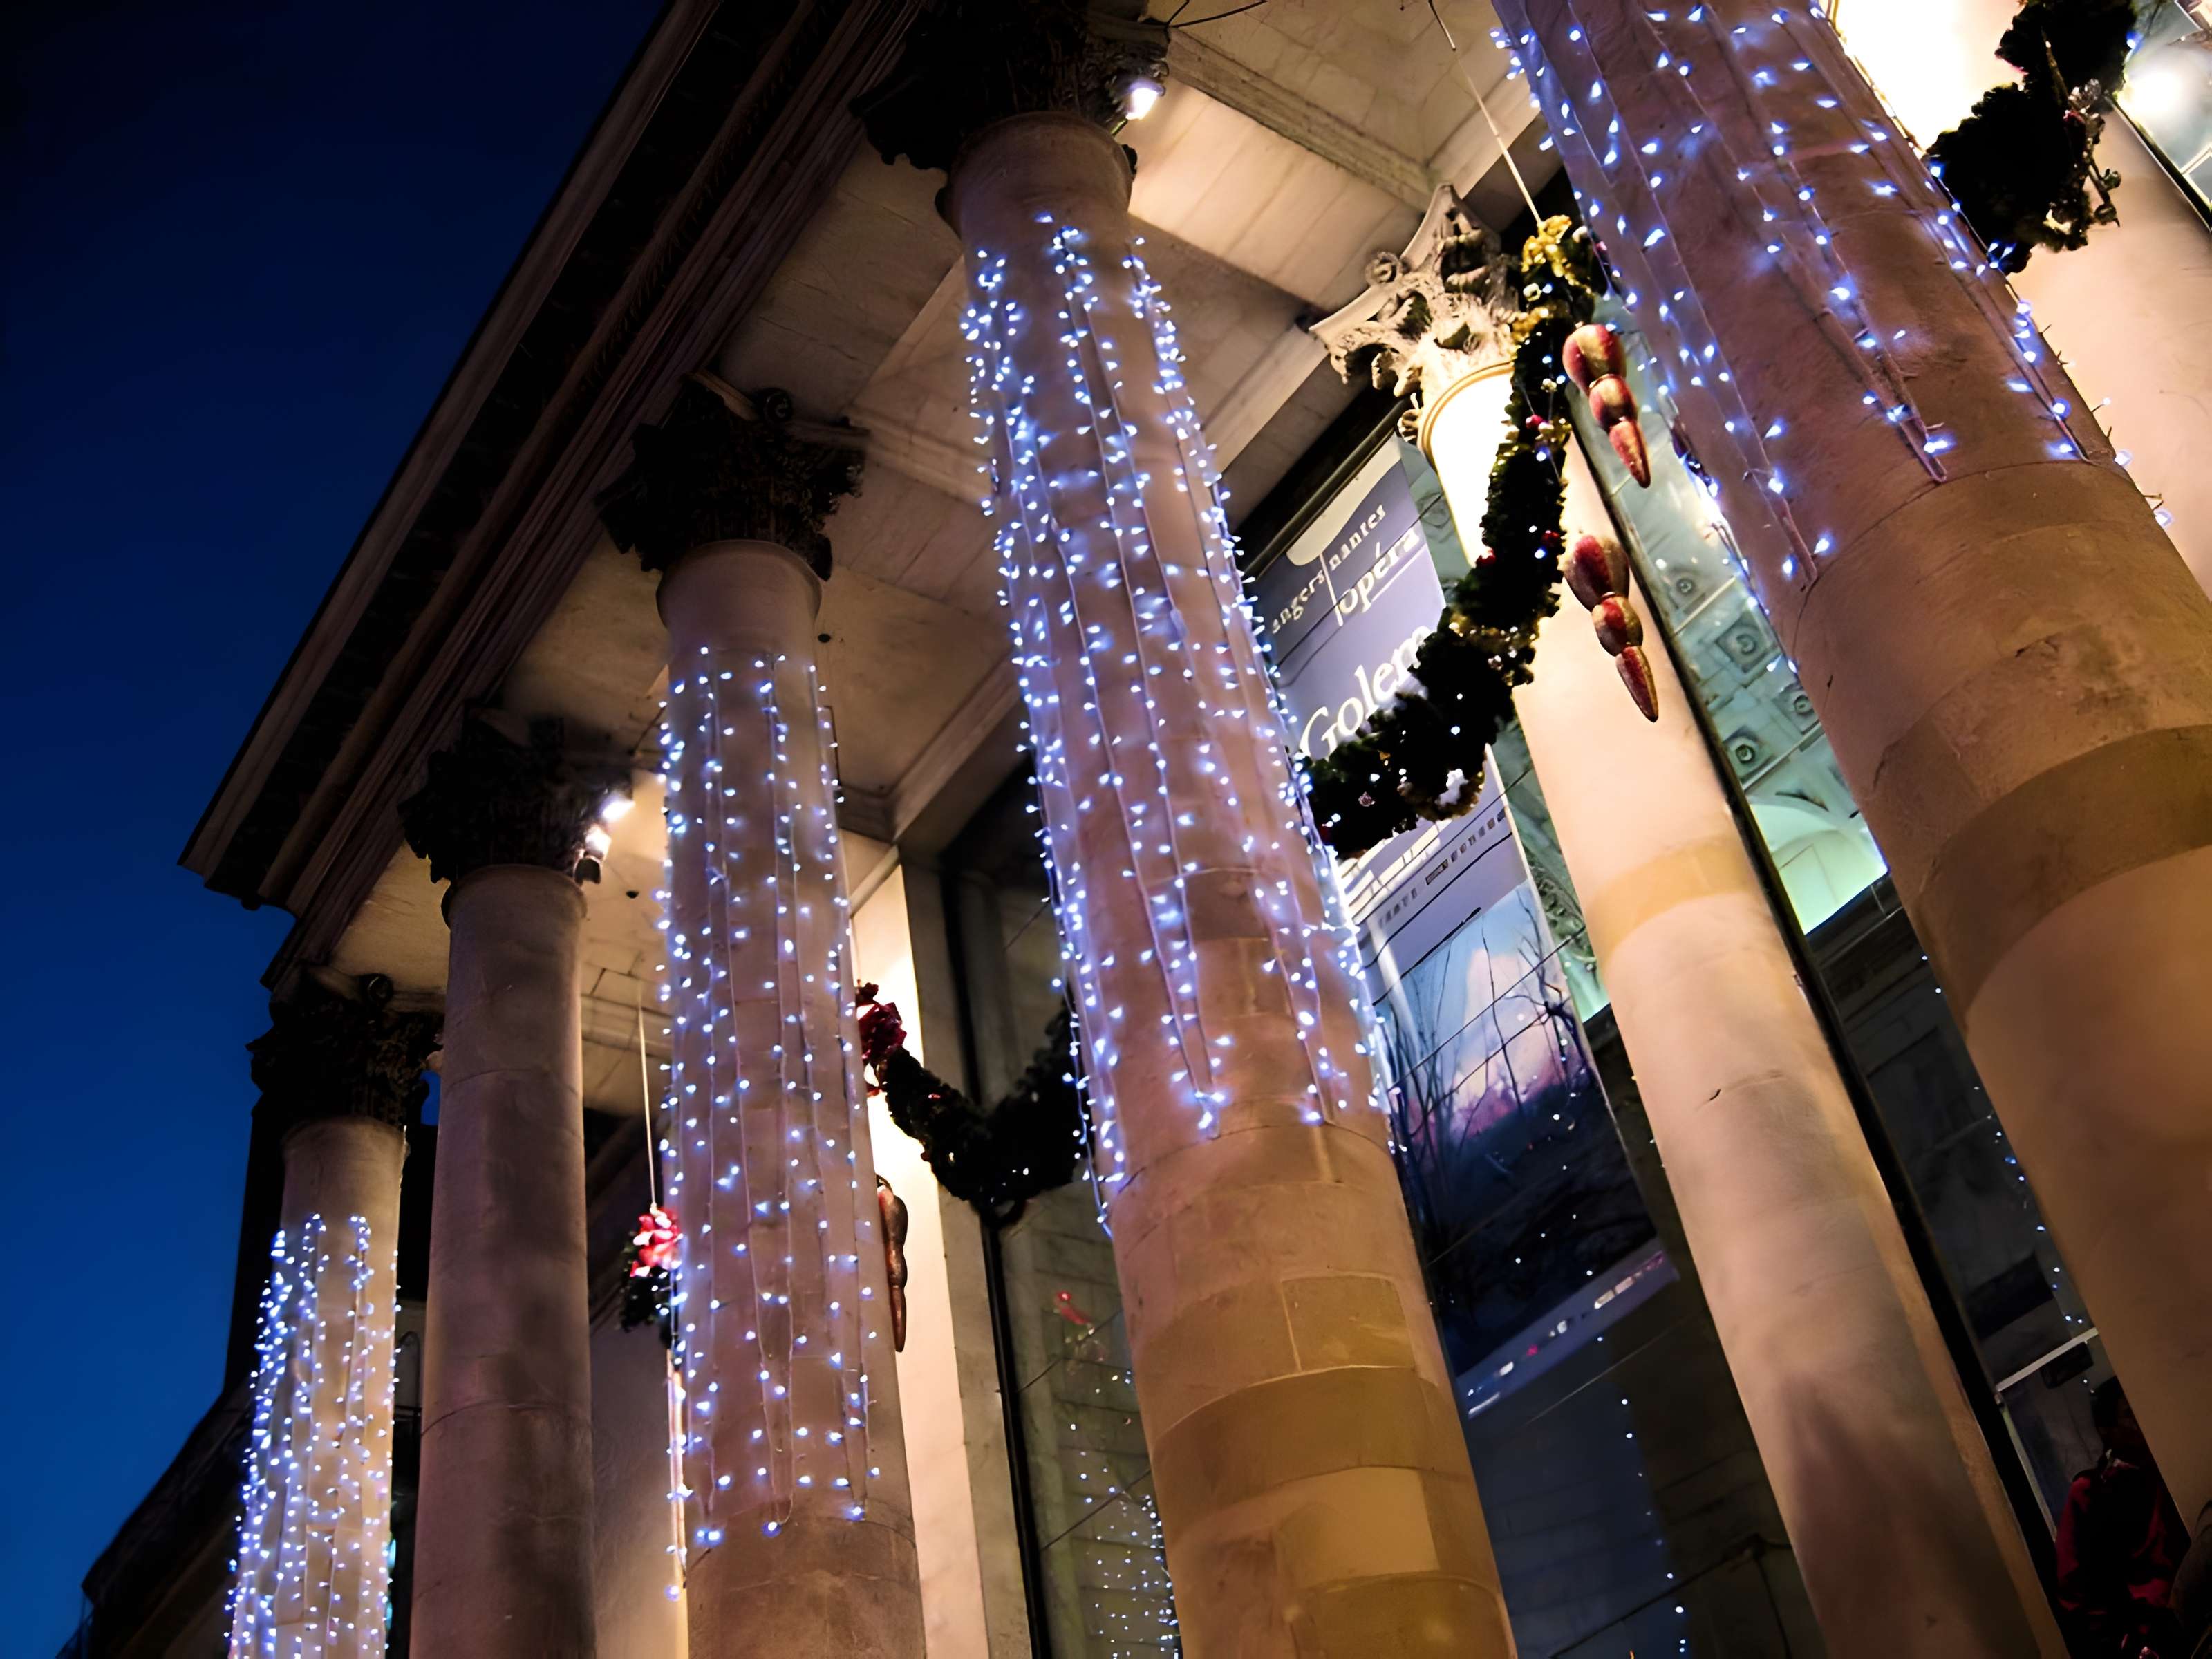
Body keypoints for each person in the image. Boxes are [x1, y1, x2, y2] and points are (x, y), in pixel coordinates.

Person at [2056, 1379, 2187, 1657]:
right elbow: (2074, 1586)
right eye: (2129, 1414)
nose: (2140, 1420)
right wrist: (2121, 1642)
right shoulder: (2092, 1491)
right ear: (2107, 1430)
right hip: (2147, 1632)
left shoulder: (2169, 1469)